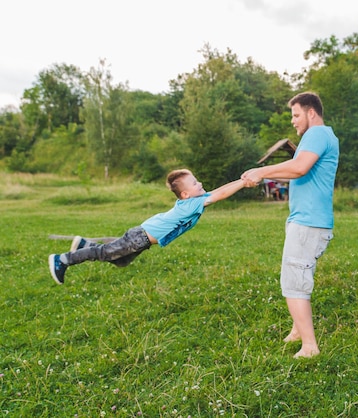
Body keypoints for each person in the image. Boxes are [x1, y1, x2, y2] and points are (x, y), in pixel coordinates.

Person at [241, 92, 339, 358]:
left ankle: (310, 346)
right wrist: (263, 178)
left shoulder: (317, 134)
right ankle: (298, 330)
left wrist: (262, 171)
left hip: (309, 222)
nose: (293, 122)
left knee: (294, 281)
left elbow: (299, 168)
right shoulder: (320, 137)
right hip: (306, 220)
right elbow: (295, 172)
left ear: (311, 113)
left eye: (296, 115)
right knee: (294, 274)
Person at [48, 169, 250, 285]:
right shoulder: (193, 203)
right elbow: (221, 195)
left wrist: (241, 180)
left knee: (121, 261)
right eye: (195, 183)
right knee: (104, 254)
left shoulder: (195, 199)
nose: (200, 184)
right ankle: (62, 260)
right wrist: (243, 184)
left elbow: (219, 190)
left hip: (143, 237)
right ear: (186, 194)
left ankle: (84, 244)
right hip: (141, 237)